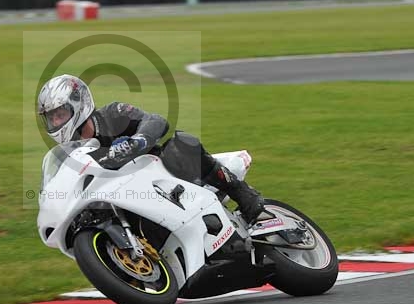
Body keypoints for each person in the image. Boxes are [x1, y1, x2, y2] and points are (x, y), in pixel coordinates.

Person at [37, 74, 264, 224]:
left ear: (78, 105)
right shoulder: (69, 155)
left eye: (61, 114)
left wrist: (139, 141)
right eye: (52, 118)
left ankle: (242, 192)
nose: (56, 122)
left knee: (179, 143)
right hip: (129, 198)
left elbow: (155, 120)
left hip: (164, 176)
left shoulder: (112, 114)